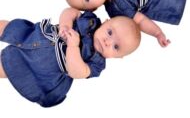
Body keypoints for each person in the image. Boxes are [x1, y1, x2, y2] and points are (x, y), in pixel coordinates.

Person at [0, 7, 141, 107]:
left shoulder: (96, 64)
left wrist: (73, 47)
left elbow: (76, 72)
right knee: (8, 27)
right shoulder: (90, 21)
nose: (108, 41)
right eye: (110, 32)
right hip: (36, 35)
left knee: (7, 68)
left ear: (118, 57)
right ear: (105, 23)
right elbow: (70, 12)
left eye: (116, 47)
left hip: (38, 69)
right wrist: (65, 25)